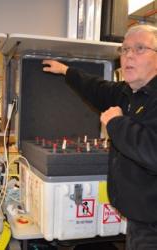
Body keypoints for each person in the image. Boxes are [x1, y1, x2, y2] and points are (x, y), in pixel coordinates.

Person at [42, 24, 157, 250]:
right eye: (124, 50)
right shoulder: (129, 92)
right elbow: (97, 88)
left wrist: (117, 123)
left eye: (139, 48)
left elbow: (153, 152)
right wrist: (66, 71)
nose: (129, 56)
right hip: (139, 219)